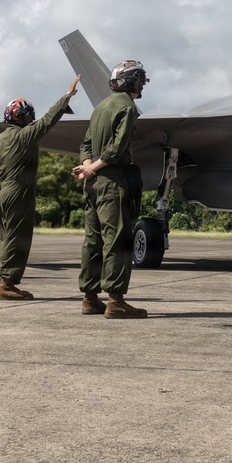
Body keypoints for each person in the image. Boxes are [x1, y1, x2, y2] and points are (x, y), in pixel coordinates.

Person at [0, 76, 82, 300]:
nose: (32, 119)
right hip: (16, 190)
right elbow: (48, 120)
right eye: (29, 115)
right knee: (18, 237)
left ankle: (6, 280)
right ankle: (6, 284)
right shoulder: (24, 136)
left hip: (0, 192)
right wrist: (67, 96)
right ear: (22, 117)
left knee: (6, 236)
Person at [71, 60, 149, 319]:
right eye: (139, 79)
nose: (141, 84)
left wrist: (86, 169)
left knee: (92, 240)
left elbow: (85, 144)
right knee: (117, 240)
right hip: (112, 181)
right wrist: (95, 168)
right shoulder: (128, 107)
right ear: (132, 82)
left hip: (92, 184)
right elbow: (116, 150)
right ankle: (115, 301)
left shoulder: (100, 107)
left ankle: (90, 298)